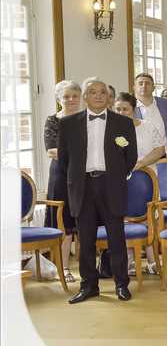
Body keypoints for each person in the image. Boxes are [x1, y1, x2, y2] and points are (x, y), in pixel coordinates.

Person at [59, 78, 137, 304]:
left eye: (103, 92)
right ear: (85, 97)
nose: (99, 95)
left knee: (116, 238)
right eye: (93, 92)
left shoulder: (123, 123)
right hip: (82, 186)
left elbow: (131, 157)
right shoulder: (68, 124)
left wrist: (115, 175)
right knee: (85, 240)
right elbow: (64, 160)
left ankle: (121, 284)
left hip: (111, 185)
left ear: (109, 97)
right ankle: (88, 286)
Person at [113, 91, 166, 275]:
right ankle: (129, 261)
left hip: (147, 178)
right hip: (122, 181)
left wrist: (141, 163)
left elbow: (160, 150)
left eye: (125, 109)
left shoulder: (147, 127)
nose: (121, 113)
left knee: (148, 218)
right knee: (125, 219)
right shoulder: (111, 130)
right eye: (117, 109)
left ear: (133, 109)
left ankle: (152, 260)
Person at [44, 80, 82, 282]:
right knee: (64, 225)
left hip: (84, 177)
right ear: (59, 99)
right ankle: (64, 269)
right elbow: (52, 150)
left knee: (85, 224)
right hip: (61, 177)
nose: (71, 100)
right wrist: (79, 153)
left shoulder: (87, 119)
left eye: (75, 96)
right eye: (66, 96)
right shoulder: (53, 121)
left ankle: (88, 269)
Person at [133, 72, 167, 142]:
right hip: (143, 148)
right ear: (134, 88)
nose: (144, 86)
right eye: (140, 83)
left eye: (147, 83)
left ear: (153, 88)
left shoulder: (165, 103)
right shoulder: (130, 106)